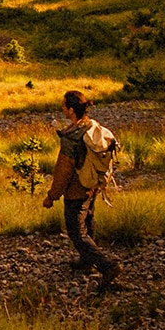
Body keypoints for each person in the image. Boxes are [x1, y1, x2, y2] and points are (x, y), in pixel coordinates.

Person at [42, 90, 122, 293]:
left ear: (70, 110)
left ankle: (107, 265)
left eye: (63, 105)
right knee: (87, 221)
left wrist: (51, 196)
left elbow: (63, 171)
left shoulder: (72, 137)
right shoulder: (90, 126)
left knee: (76, 232)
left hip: (77, 191)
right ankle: (87, 261)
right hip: (92, 185)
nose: (61, 108)